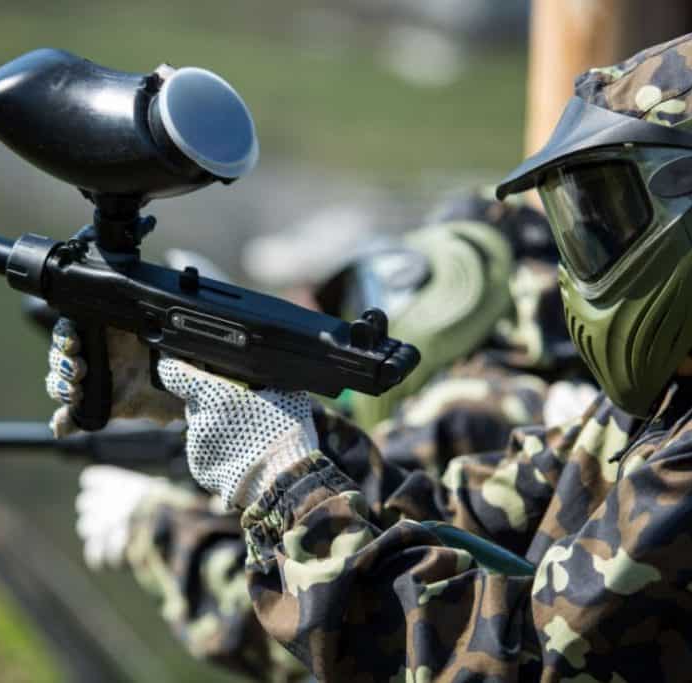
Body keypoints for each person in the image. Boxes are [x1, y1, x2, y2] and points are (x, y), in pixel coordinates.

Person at [55, 26, 692, 680]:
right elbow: (462, 511)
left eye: (609, 214)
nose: (586, 258)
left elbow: (507, 661)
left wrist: (278, 481)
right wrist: (225, 394)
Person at [52, 197, 596, 681]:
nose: (321, 319)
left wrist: (159, 531)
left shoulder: (469, 405)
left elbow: (336, 627)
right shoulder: (532, 401)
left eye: (341, 299)